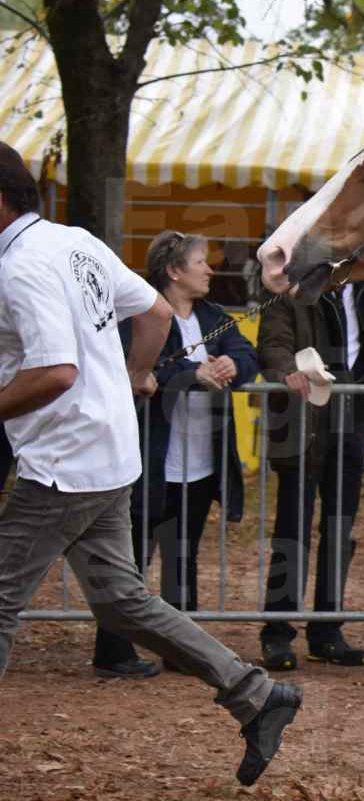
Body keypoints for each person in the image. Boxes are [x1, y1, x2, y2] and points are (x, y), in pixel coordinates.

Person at [0, 141, 299, 784]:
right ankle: (256, 694)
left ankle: (254, 693)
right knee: (123, 603)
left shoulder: (20, 267)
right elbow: (158, 313)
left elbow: (55, 371)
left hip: (63, 463)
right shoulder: (74, 240)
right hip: (110, 453)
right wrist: (131, 378)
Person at [93, 231, 260, 677]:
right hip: (150, 457)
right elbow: (138, 365)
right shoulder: (141, 314)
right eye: (201, 262)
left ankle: (181, 649)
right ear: (173, 270)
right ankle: (113, 652)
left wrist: (231, 366)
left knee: (183, 555)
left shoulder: (214, 317)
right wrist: (193, 373)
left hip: (201, 461)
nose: (209, 269)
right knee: (130, 557)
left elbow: (248, 356)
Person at [257, 271, 364, 670]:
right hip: (303, 422)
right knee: (293, 527)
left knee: (340, 528)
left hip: (353, 416)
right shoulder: (291, 283)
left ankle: (327, 630)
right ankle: (277, 632)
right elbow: (272, 342)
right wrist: (287, 371)